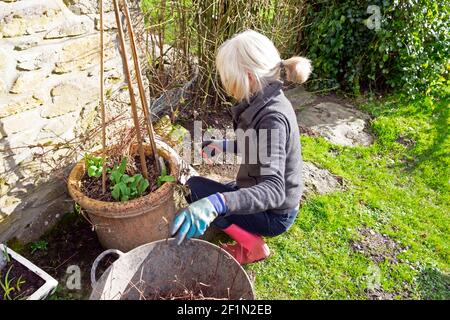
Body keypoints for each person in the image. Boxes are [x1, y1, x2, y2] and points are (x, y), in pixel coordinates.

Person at [170, 29, 312, 265]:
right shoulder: (266, 101)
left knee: (196, 191)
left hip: (275, 214)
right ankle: (237, 219)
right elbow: (258, 145)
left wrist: (215, 203)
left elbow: (274, 190)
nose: (227, 87)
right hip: (269, 197)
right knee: (215, 193)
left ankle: (253, 246)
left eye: (228, 80)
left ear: (248, 77)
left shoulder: (272, 118)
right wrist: (223, 145)